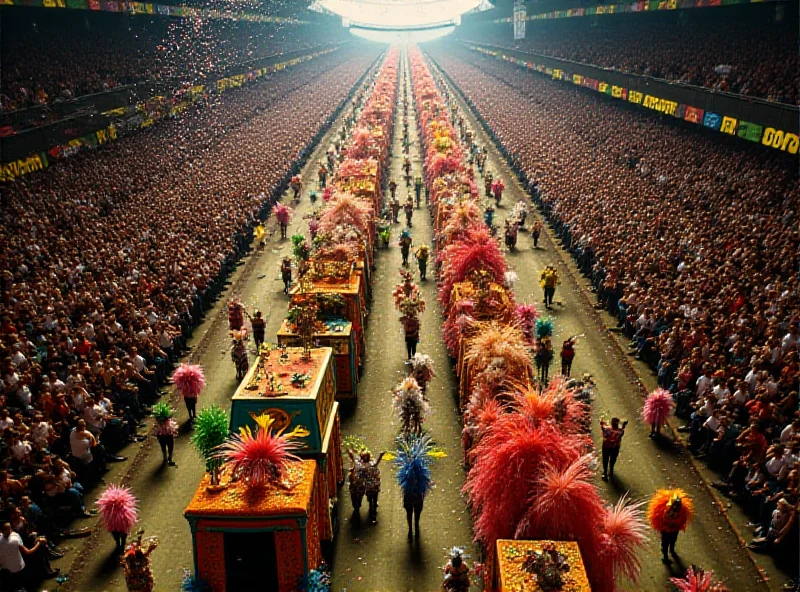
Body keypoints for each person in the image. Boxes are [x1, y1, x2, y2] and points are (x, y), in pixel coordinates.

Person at [0, 522, 53, 590]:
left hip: (5, 570)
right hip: (19, 568)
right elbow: (28, 552)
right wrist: (39, 543)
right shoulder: (15, 539)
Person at [647, 489, 694, 564]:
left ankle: (671, 550)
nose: (676, 508)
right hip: (666, 530)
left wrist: (676, 524)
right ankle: (665, 557)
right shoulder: (666, 511)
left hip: (674, 530)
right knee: (665, 543)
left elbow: (682, 519)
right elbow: (664, 520)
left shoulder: (681, 511)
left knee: (672, 540)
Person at [348, 449, 384, 521]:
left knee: (362, 498)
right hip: (373, 485)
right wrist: (380, 456)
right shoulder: (370, 464)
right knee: (373, 497)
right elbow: (376, 463)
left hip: (366, 486)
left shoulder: (361, 465)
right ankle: (372, 509)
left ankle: (359, 509)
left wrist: (351, 454)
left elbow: (354, 459)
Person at [152, 403, 178, 467]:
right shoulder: (168, 423)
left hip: (162, 437)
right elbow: (172, 428)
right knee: (170, 447)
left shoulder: (158, 425)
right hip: (168, 436)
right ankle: (169, 457)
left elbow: (156, 432)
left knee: (163, 447)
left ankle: (165, 457)